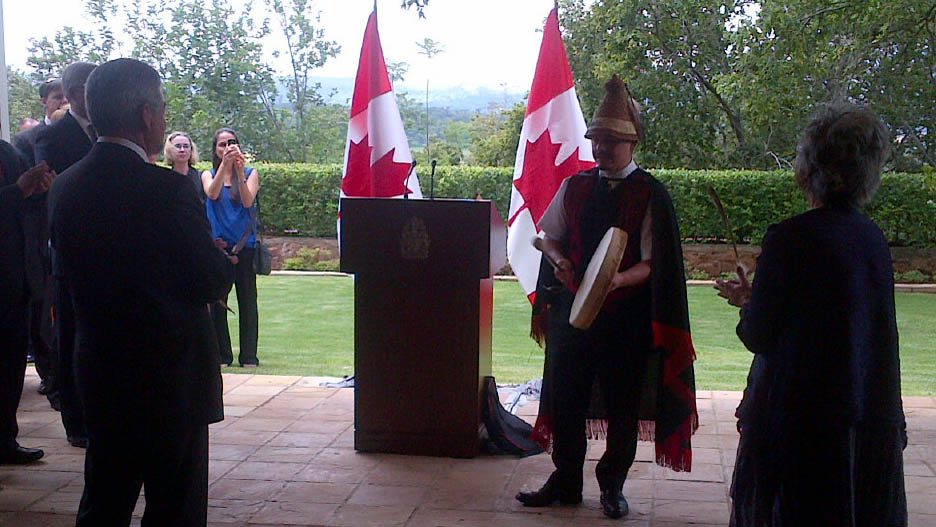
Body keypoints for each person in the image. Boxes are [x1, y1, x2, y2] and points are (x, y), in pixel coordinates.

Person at [48, 58, 234, 526]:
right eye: (164, 109)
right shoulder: (166, 190)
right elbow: (207, 280)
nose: (166, 119)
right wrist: (218, 257)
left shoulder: (66, 187)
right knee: (175, 507)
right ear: (148, 115)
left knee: (104, 501)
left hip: (101, 369)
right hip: (168, 375)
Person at [715, 103, 907, 526]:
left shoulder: (789, 239)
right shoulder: (872, 239)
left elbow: (760, 335)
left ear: (809, 168)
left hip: (799, 425)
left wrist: (749, 304)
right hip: (861, 413)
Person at [517, 75, 698, 519]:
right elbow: (547, 235)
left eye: (612, 141)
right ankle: (565, 480)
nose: (603, 149)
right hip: (573, 319)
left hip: (624, 322)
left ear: (632, 144)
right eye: (598, 140)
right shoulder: (574, 187)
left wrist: (615, 281)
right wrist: (558, 260)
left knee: (622, 407)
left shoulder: (650, 194)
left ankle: (612, 485)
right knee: (566, 400)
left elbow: (655, 264)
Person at [0, 140, 53, 465]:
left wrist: (39, 190)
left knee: (11, 364)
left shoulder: (8, 154)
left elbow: (25, 207)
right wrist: (17, 191)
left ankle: (5, 438)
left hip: (14, 276)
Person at [202, 128, 261, 368]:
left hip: (244, 248)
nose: (227, 147)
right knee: (218, 304)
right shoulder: (208, 174)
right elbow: (212, 194)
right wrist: (223, 169)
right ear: (215, 150)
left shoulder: (250, 173)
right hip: (219, 249)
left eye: (232, 143)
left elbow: (248, 200)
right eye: (222, 144)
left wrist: (238, 171)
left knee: (247, 302)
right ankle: (222, 355)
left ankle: (248, 356)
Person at [164, 131, 206, 202]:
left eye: (186, 146)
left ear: (191, 150)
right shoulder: (164, 179)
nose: (182, 150)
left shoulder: (201, 177)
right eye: (178, 146)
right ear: (169, 150)